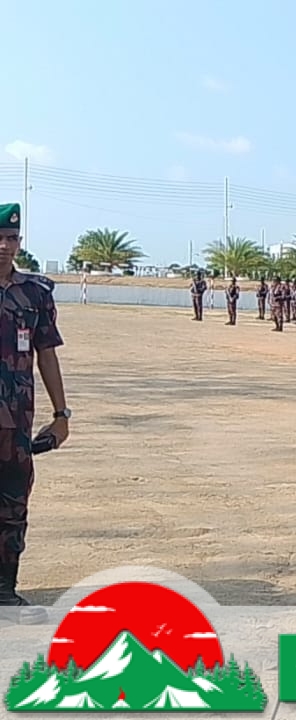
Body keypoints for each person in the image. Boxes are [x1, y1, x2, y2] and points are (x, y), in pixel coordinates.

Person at [0, 203, 70, 626]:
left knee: (13, 504)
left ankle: (4, 592)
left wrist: (61, 414)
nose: (4, 246)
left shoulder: (35, 293)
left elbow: (47, 353)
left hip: (16, 423)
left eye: (11, 238)